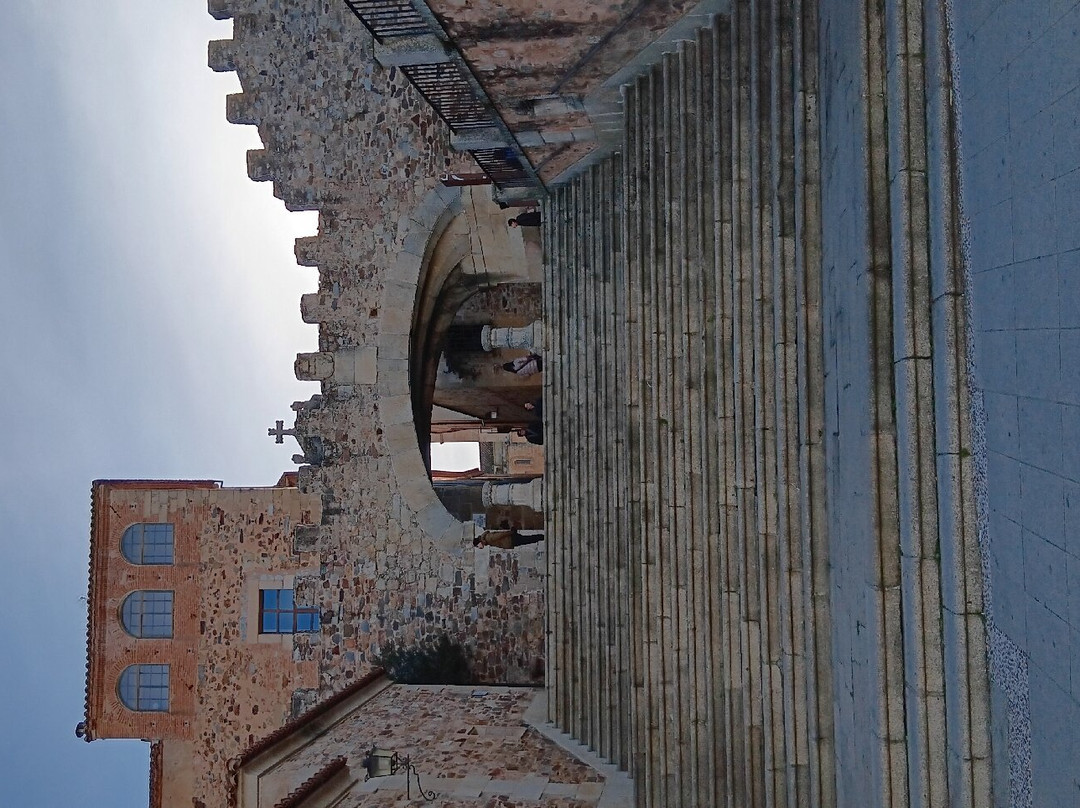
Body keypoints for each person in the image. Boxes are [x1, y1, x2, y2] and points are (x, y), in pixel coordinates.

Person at [473, 528, 545, 549]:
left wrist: (511, 532)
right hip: (510, 541)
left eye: (477, 546)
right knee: (527, 540)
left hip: (511, 539)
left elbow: (500, 535)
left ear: (479, 542)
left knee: (528, 539)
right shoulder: (487, 541)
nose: (479, 547)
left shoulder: (488, 538)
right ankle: (540, 537)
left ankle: (541, 537)